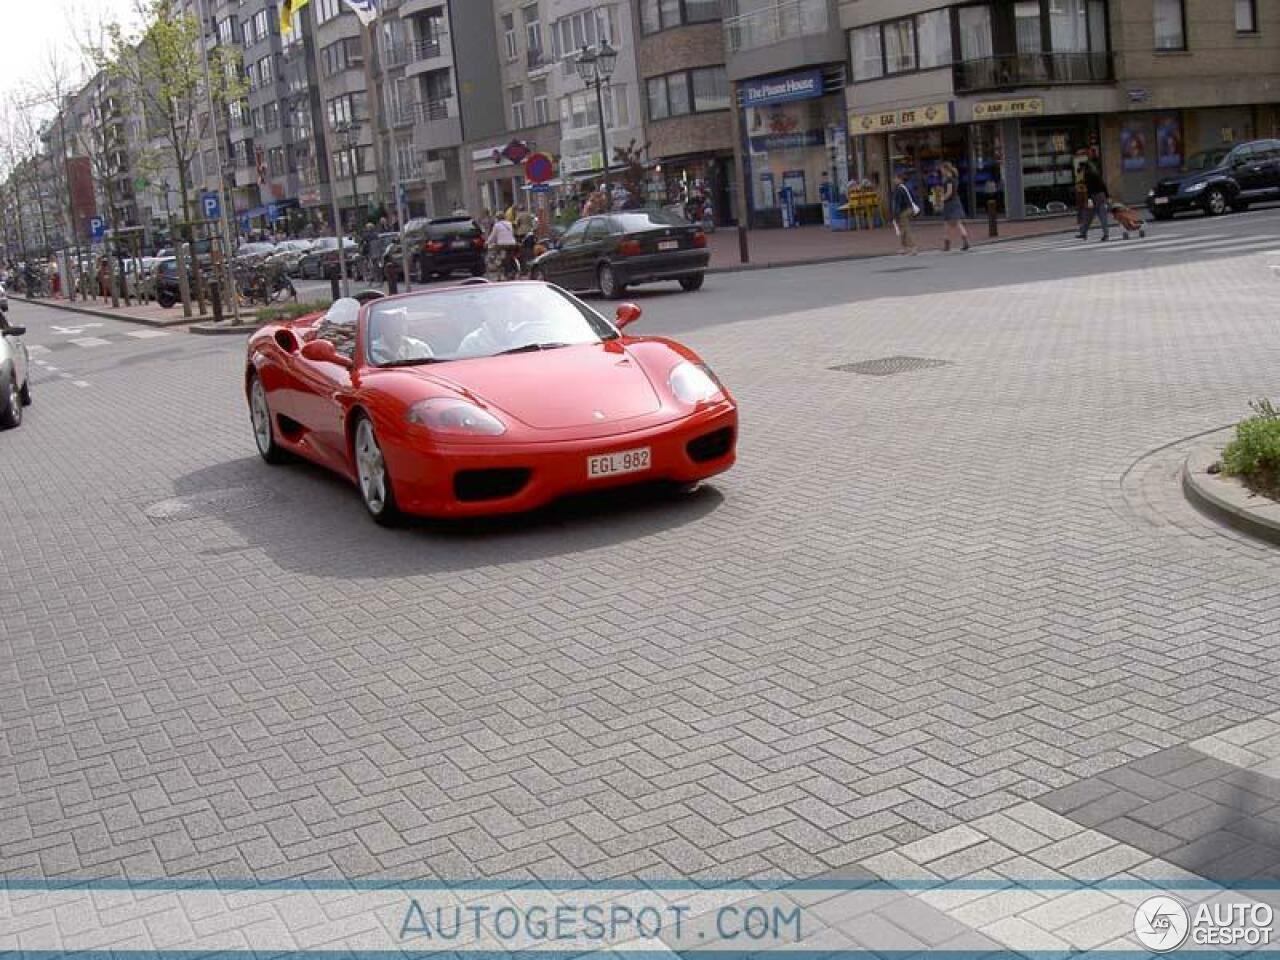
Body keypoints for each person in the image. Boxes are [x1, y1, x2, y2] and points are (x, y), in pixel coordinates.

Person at [368, 306, 434, 365]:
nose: (396, 328)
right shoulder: (371, 352)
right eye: (390, 324)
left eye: (400, 322)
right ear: (382, 327)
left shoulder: (420, 347)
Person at [939, 162, 970, 252]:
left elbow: (949, 192)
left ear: (946, 169)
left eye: (942, 169)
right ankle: (965, 241)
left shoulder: (949, 180)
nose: (941, 171)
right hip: (955, 202)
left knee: (948, 224)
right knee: (957, 224)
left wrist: (942, 199)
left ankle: (947, 244)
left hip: (950, 204)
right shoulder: (954, 178)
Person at [1078, 160, 1110, 242]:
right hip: (1101, 195)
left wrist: (1089, 199)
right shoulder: (1095, 173)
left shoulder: (1087, 174)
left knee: (1088, 215)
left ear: (1084, 167)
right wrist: (1107, 196)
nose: (1080, 169)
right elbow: (1103, 184)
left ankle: (1083, 233)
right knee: (1102, 216)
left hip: (1094, 196)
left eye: (1081, 167)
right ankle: (1106, 234)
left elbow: (1089, 188)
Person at [890, 171, 919, 255]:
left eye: (895, 178)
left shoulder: (899, 189)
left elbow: (898, 203)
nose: (894, 180)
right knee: (903, 230)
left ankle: (913, 248)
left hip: (904, 211)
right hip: (908, 209)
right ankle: (905, 247)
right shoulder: (905, 187)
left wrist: (895, 214)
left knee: (906, 229)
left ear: (900, 179)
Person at [486, 215, 519, 279]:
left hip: (502, 244)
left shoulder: (497, 225)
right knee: (509, 256)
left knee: (500, 257)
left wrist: (487, 242)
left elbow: (493, 236)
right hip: (512, 244)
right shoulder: (509, 224)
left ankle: (502, 270)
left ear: (497, 219)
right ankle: (512, 270)